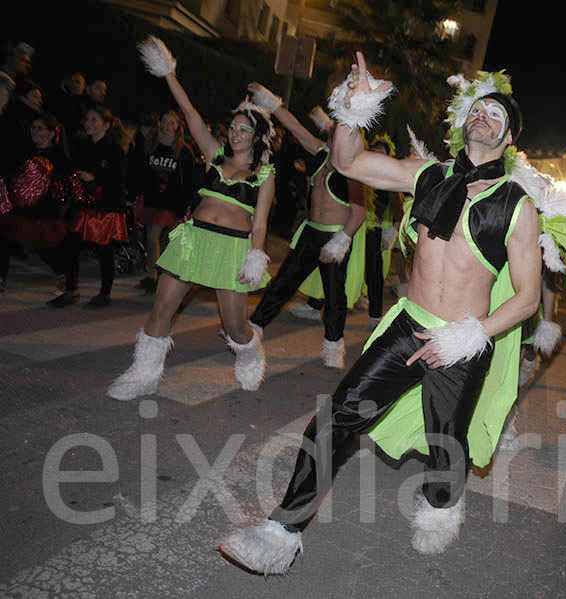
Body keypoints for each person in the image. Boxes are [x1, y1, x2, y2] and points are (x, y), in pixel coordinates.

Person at [218, 53, 543, 575]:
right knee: (338, 415)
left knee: (447, 448)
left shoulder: (516, 206)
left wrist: (472, 334)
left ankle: (441, 506)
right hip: (409, 329)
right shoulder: (427, 175)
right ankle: (283, 529)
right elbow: (348, 163)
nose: (483, 116)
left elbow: (527, 298)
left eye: (495, 116)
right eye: (477, 110)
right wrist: (355, 107)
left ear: (507, 140)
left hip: (462, 342)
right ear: (465, 124)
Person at [106, 36, 274, 399]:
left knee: (234, 325)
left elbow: (259, 224)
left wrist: (255, 256)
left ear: (258, 135)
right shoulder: (215, 155)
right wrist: (169, 74)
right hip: (193, 239)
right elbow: (191, 115)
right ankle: (143, 374)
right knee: (161, 306)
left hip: (232, 249)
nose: (235, 133)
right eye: (233, 127)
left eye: (244, 129)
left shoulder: (265, 174)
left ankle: (250, 350)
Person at [241, 83, 367, 369]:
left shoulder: (353, 170)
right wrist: (271, 103)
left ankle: (334, 345)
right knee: (283, 282)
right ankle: (255, 325)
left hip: (335, 238)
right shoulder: (323, 154)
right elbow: (296, 128)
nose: (335, 135)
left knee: (335, 296)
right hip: (311, 233)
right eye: (334, 130)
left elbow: (359, 214)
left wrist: (341, 242)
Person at [48, 104, 128, 307]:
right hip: (84, 205)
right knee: (71, 245)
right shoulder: (83, 145)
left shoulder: (113, 147)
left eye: (95, 120)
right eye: (87, 119)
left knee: (104, 250)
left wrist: (96, 177)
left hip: (105, 208)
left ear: (106, 124)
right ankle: (71, 290)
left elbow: (119, 178)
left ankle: (105, 293)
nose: (89, 123)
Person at [0, 112, 77, 293]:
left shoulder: (60, 158)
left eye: (40, 128)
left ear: (51, 133)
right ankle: (1, 278)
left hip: (45, 213)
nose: (35, 132)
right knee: (3, 239)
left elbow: (66, 188)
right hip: (22, 211)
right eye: (33, 128)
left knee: (46, 249)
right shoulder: (26, 152)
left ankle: (64, 277)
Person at [131, 109, 198, 292]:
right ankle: (152, 276)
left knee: (163, 239)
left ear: (178, 127)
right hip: (153, 200)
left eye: (172, 123)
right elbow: (140, 170)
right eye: (165, 122)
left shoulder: (184, 151)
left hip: (172, 202)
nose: (167, 127)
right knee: (151, 236)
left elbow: (190, 179)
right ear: (159, 123)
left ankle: (161, 276)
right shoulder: (151, 145)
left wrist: (188, 203)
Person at [362, 132, 403, 324]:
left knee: (374, 270)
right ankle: (316, 305)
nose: (377, 155)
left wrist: (392, 231)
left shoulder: (391, 178)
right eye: (374, 151)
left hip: (374, 228)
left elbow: (399, 208)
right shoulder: (361, 171)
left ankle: (375, 313)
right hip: (355, 225)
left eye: (381, 152)